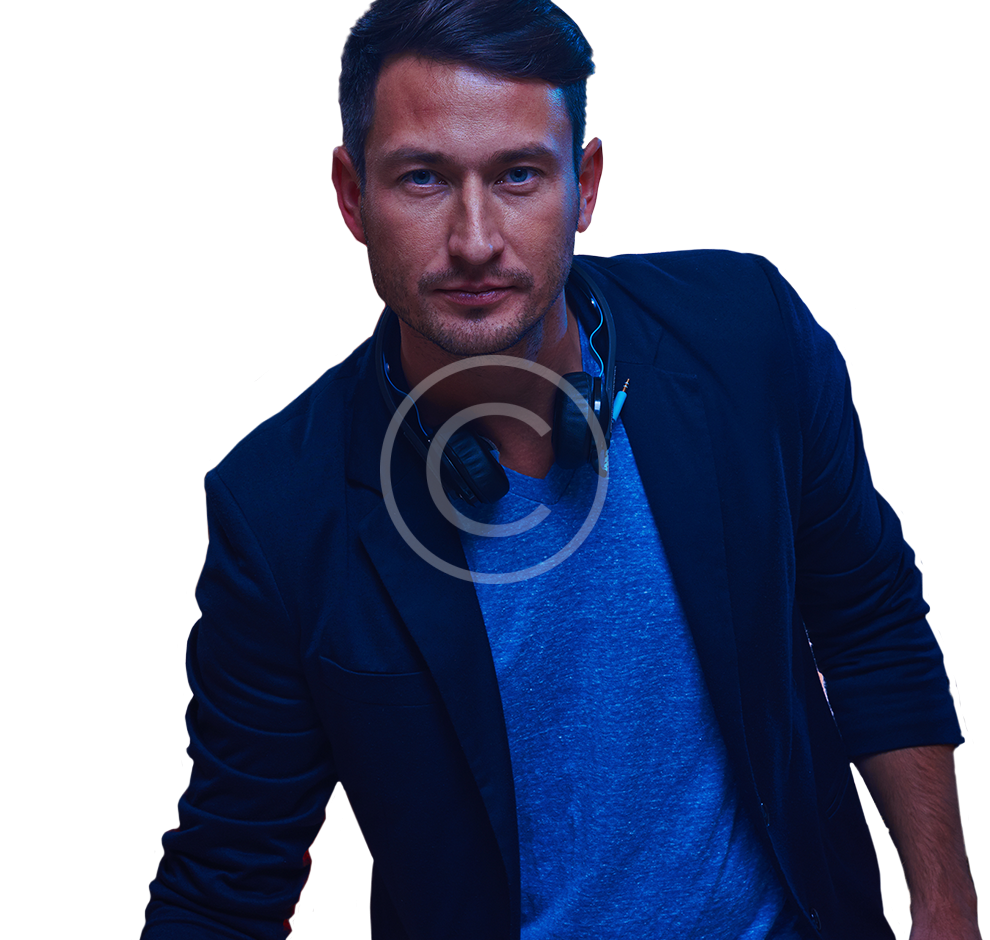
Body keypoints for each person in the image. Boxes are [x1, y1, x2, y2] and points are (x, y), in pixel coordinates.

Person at [141, 2, 978, 938]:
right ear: (351, 195)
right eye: (423, 178)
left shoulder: (748, 337)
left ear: (584, 188)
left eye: (518, 175)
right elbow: (226, 879)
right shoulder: (276, 509)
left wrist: (946, 906)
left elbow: (869, 620)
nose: (474, 240)